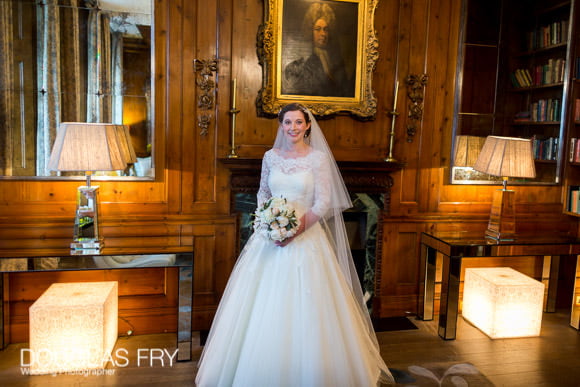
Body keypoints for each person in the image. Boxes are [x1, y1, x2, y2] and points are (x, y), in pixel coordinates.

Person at [195, 103, 394, 386]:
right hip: (268, 240)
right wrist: (269, 222)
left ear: (308, 125)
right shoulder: (270, 157)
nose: (293, 128)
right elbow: (263, 193)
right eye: (287, 123)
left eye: (298, 123)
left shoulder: (318, 159)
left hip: (306, 238)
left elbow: (323, 202)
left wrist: (293, 230)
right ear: (281, 125)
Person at [283, 3, 354, 97]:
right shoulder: (305, 63)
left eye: (326, 29)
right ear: (310, 31)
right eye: (318, 29)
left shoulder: (336, 60)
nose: (323, 34)